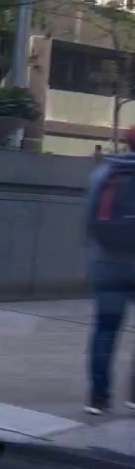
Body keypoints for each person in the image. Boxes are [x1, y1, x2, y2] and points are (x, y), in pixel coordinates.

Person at [83, 126, 135, 414]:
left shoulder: (104, 173)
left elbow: (88, 220)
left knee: (104, 329)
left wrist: (93, 256)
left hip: (107, 262)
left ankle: (98, 398)